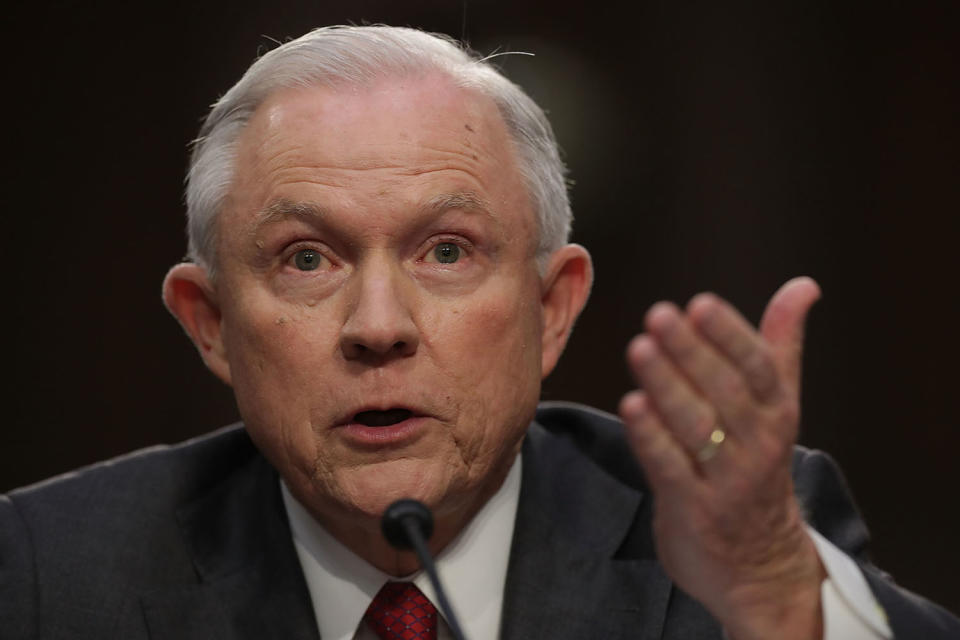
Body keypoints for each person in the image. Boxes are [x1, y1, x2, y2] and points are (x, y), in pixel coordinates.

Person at [1, 25, 957, 640]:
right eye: (306, 259)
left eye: (447, 251)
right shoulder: (48, 576)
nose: (379, 329)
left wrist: (784, 602)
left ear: (552, 309)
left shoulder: (732, 540)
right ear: (209, 325)